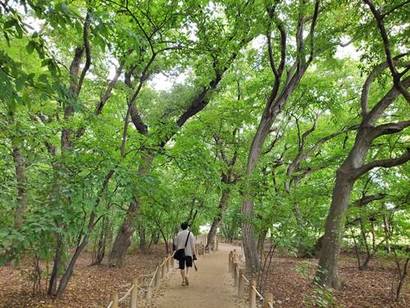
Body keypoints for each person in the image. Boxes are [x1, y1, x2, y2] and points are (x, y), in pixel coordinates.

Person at [173, 222, 197, 286]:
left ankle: (183, 280)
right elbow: (193, 245)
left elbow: (175, 244)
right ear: (187, 227)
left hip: (181, 252)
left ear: (181, 227)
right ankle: (187, 275)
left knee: (182, 267)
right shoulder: (191, 234)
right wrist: (194, 254)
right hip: (189, 253)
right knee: (188, 266)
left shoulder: (179, 234)